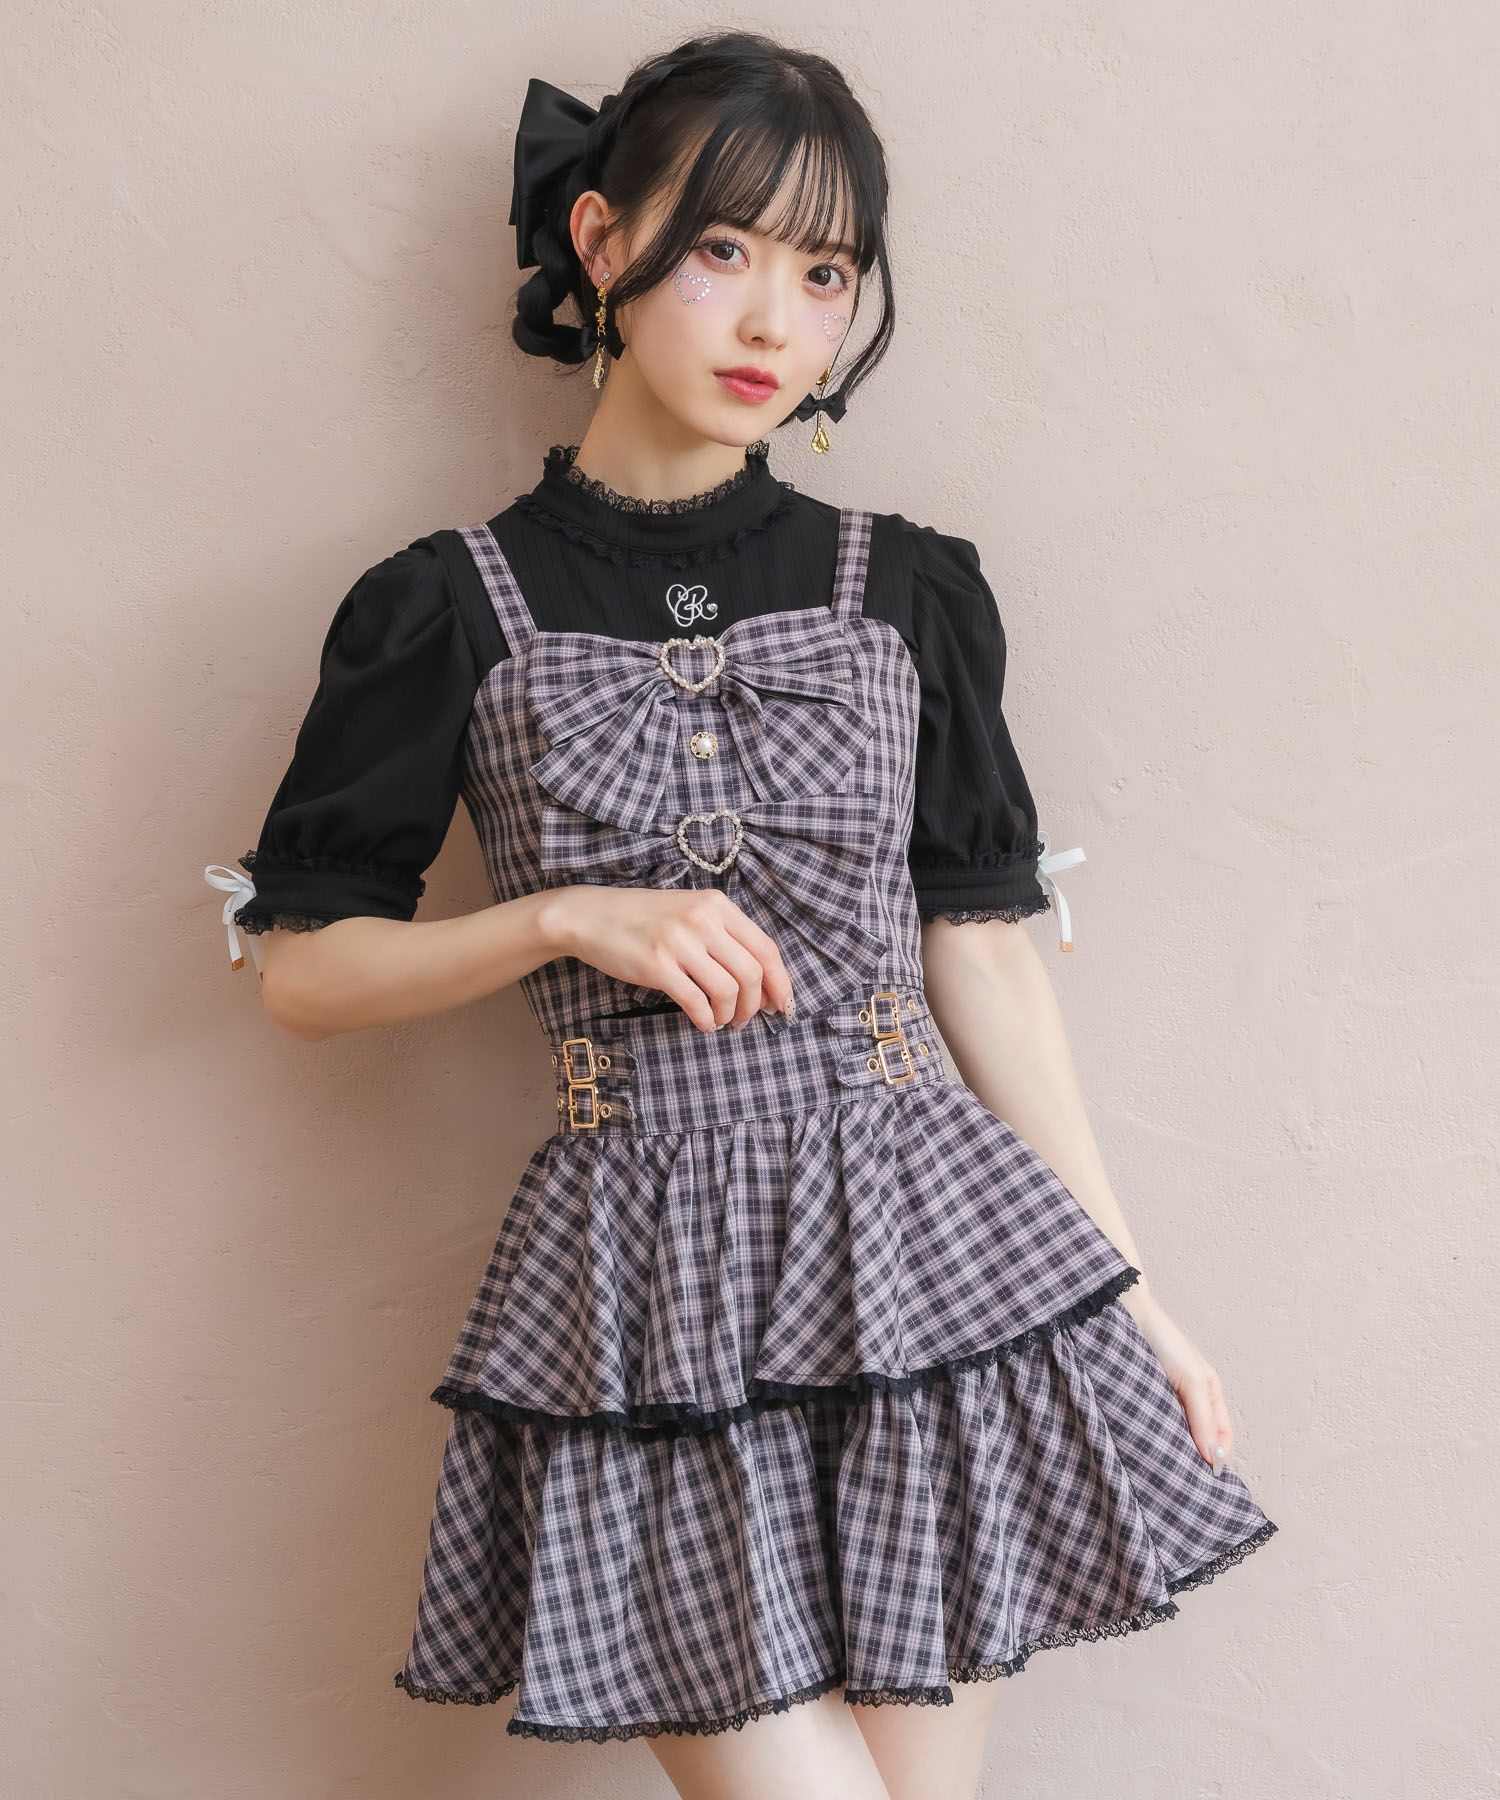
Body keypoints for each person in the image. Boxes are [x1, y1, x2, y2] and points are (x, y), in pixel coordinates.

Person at [202, 30, 1278, 1800]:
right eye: (725, 250)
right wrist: (567, 920)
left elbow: (981, 953)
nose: (779, 320)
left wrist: (1129, 1295)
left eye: (826, 273)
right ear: (603, 241)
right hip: (649, 1287)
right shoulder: (444, 605)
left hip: (930, 1258)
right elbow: (308, 976)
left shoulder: (909, 587)